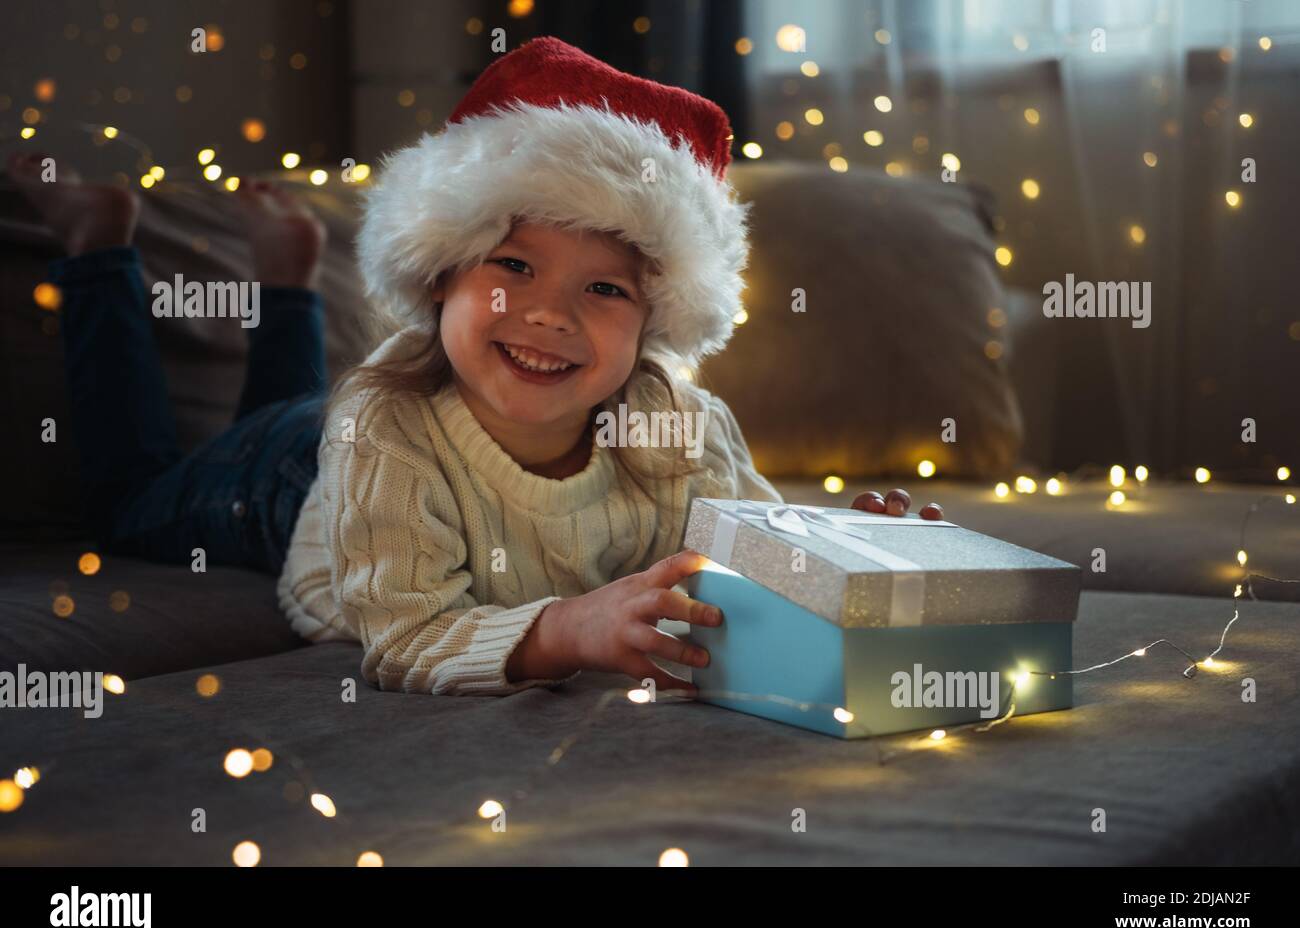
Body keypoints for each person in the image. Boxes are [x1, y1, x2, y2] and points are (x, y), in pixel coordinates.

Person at [14, 36, 944, 700]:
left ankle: (290, 281)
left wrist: (838, 551)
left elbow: (750, 553)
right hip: (290, 484)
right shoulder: (382, 422)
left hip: (341, 423)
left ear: (655, 321)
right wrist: (564, 631)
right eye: (514, 265)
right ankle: (101, 249)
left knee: (305, 401)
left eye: (605, 291)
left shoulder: (684, 426)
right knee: (131, 500)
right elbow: (404, 638)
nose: (549, 312)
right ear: (440, 274)